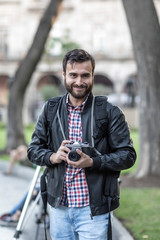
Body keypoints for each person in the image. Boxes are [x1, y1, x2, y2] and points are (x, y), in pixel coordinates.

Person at [27, 49, 136, 240]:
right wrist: (53, 156)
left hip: (94, 210)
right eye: (73, 75)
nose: (79, 81)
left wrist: (93, 162)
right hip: (59, 208)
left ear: (93, 75)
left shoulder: (110, 112)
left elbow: (127, 155)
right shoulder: (50, 110)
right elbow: (33, 150)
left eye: (85, 75)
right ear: (64, 75)